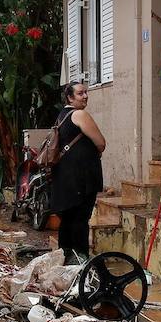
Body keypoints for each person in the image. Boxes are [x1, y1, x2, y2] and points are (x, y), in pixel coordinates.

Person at [49, 82, 105, 265]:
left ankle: (66, 257)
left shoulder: (61, 116)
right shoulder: (78, 114)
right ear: (70, 98)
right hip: (80, 178)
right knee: (81, 218)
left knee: (68, 218)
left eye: (86, 92)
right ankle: (80, 259)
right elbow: (100, 142)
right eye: (81, 93)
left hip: (65, 177)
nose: (85, 96)